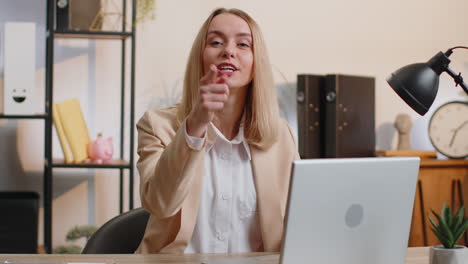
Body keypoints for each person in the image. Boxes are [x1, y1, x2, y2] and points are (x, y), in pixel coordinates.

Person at [135, 7, 299, 254]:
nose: (228, 51)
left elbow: (298, 223)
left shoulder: (280, 137)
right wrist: (195, 126)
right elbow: (160, 203)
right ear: (200, 57)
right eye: (216, 42)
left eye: (243, 44)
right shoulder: (157, 125)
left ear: (257, 62)